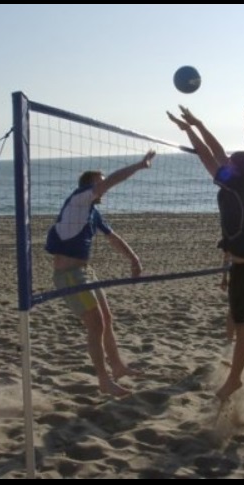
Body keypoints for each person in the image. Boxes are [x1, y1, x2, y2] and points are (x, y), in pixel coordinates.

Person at [167, 104, 244, 401]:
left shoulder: (233, 188)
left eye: (230, 162)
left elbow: (209, 156)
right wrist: (199, 123)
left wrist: (190, 131)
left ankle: (235, 380)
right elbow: (218, 154)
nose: (225, 162)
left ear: (234, 170)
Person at [45, 150, 156, 397]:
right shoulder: (78, 200)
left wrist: (133, 258)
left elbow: (113, 238)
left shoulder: (93, 213)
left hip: (85, 271)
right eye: (100, 182)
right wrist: (139, 165)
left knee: (107, 319)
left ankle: (117, 367)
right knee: (95, 325)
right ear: (89, 187)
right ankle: (104, 381)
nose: (103, 186)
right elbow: (113, 180)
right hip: (69, 274)